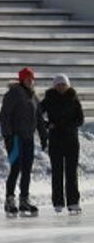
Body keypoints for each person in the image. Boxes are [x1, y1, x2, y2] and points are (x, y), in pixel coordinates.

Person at [0, 67, 48, 217]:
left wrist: (44, 136)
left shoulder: (33, 97)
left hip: (28, 138)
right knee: (16, 167)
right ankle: (9, 200)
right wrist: (8, 135)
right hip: (15, 138)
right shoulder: (13, 94)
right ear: (21, 80)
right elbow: (4, 115)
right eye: (27, 79)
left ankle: (24, 200)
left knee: (27, 168)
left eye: (32, 79)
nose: (30, 81)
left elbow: (39, 118)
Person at [37, 74, 85, 214]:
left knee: (71, 172)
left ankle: (73, 202)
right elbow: (37, 114)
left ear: (67, 85)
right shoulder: (49, 98)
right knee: (57, 172)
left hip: (71, 140)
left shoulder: (73, 98)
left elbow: (80, 119)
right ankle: (58, 202)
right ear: (54, 86)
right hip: (56, 140)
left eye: (63, 84)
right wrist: (47, 125)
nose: (61, 87)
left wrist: (70, 126)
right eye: (58, 84)